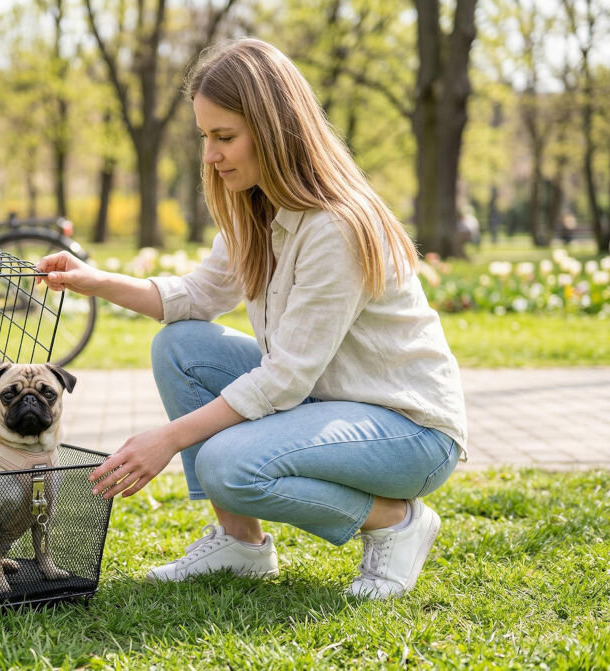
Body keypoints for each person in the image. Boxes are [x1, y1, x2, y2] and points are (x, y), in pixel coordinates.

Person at [36, 38, 467, 600]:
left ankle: (396, 522)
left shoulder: (334, 227)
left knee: (226, 464)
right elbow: (196, 295)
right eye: (205, 138)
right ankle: (241, 545)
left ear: (274, 130)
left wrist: (167, 439)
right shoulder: (257, 209)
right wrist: (97, 280)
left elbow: (284, 378)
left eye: (225, 137)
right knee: (181, 347)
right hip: (329, 404)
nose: (211, 155)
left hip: (407, 432)